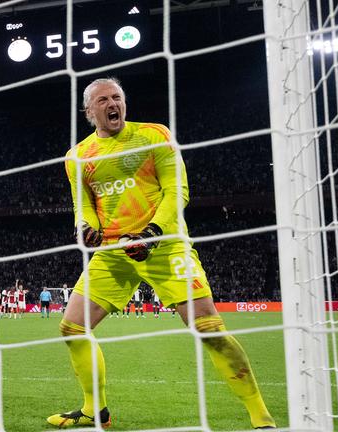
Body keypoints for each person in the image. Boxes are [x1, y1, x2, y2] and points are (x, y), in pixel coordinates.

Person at [48, 78, 275, 429]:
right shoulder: (77, 156)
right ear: (89, 111)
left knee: (210, 329)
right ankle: (96, 411)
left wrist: (152, 233)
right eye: (104, 99)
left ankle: (261, 417)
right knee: (72, 327)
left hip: (166, 246)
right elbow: (84, 206)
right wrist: (85, 228)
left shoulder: (154, 135)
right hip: (113, 253)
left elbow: (177, 191)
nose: (113, 104)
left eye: (117, 97)